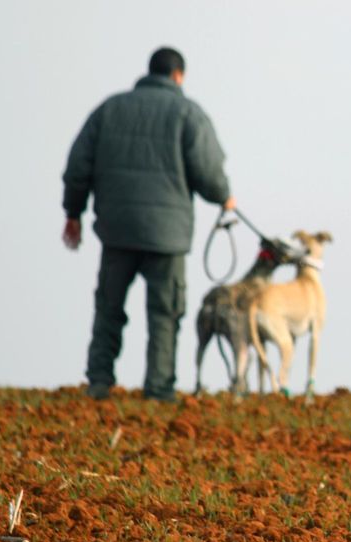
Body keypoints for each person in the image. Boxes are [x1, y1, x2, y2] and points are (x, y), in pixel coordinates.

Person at [62, 47, 235, 402]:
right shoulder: (189, 113)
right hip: (166, 236)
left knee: (109, 308)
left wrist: (73, 214)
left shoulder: (109, 109)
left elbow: (78, 165)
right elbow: (209, 172)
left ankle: (99, 382)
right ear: (178, 76)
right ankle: (158, 389)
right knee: (165, 313)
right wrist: (224, 197)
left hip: (117, 229)